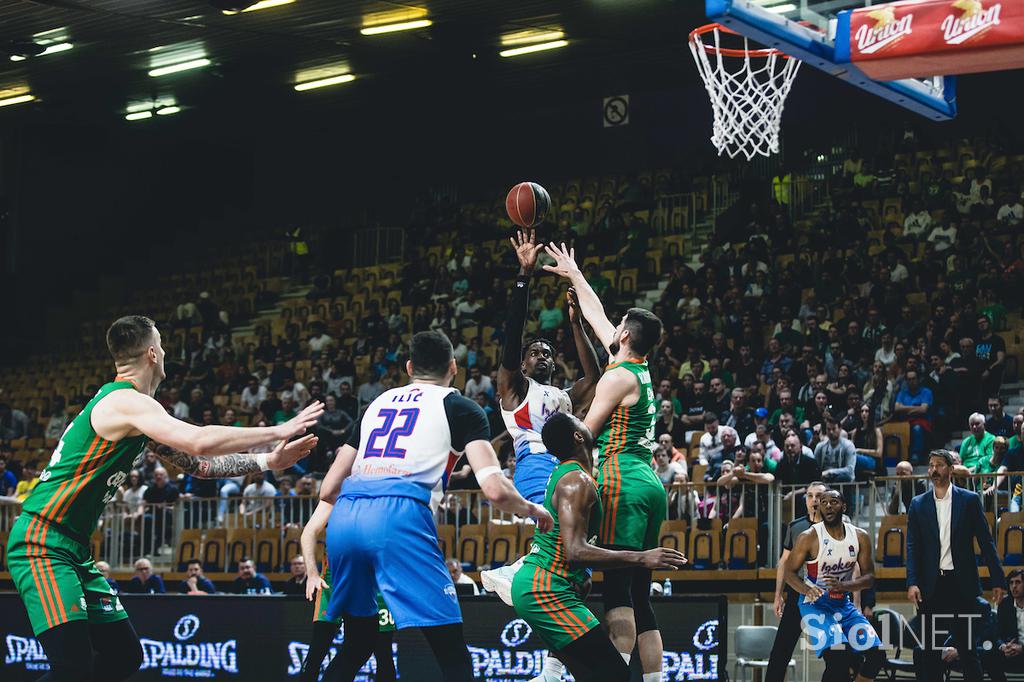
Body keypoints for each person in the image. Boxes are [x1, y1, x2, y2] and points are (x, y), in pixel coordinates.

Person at [5, 315, 321, 682]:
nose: (166, 351)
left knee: (123, 656)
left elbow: (200, 465)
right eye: (163, 345)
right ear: (153, 354)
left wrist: (270, 460)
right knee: (71, 664)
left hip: (72, 548)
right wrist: (278, 430)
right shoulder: (125, 402)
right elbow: (198, 440)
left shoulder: (135, 414)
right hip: (41, 542)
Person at [315, 330, 553, 682]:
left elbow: (330, 486)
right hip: (400, 517)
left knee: (357, 644)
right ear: (453, 368)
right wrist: (534, 510)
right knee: (453, 656)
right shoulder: (461, 407)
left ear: (410, 367)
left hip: (346, 517)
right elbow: (494, 489)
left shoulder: (376, 404)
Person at [543, 241, 669, 682]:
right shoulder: (634, 366)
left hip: (621, 479)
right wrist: (575, 273)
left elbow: (585, 434)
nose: (611, 326)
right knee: (640, 593)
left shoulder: (615, 377)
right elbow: (599, 317)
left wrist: (552, 424)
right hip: (648, 483)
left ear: (626, 337)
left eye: (618, 325)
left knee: (617, 589)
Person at [481, 231, 600, 682]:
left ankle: (552, 667)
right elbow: (511, 342)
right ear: (524, 364)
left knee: (577, 578)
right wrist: (523, 279)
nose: (543, 357)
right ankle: (519, 570)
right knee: (560, 552)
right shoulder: (514, 391)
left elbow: (594, 373)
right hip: (535, 469)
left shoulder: (564, 398)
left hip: (570, 471)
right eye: (535, 353)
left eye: (548, 353)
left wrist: (575, 322)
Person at [511, 412, 686, 682]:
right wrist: (641, 558)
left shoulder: (579, 477)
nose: (588, 420)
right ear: (578, 436)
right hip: (546, 590)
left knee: (592, 676)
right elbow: (575, 551)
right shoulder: (575, 482)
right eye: (579, 420)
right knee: (614, 674)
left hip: (550, 587)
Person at [907, 449, 1006, 682]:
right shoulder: (918, 504)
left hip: (961, 587)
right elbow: (912, 547)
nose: (934, 470)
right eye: (931, 465)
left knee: (967, 651)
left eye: (939, 465)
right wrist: (912, 582)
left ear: (951, 470)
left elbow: (986, 542)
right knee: (930, 653)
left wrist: (998, 580)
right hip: (932, 587)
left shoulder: (969, 500)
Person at [783, 490, 884, 682]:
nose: (828, 505)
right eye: (824, 502)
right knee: (838, 656)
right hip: (815, 605)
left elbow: (870, 577)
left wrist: (845, 586)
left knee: (877, 655)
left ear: (844, 507)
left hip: (842, 604)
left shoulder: (860, 536)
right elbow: (788, 572)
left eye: (834, 501)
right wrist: (806, 589)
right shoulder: (809, 537)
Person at [299, 502, 397, 682]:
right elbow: (309, 532)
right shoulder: (335, 495)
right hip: (333, 583)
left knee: (379, 651)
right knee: (317, 651)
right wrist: (312, 574)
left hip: (374, 584)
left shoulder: (384, 496)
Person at [766, 481, 828, 682]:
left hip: (827, 596)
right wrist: (777, 596)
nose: (814, 500)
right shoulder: (796, 526)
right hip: (798, 593)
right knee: (779, 653)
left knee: (836, 654)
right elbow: (783, 563)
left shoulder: (837, 525)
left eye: (819, 496)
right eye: (810, 496)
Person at [983, 568, 1024, 681]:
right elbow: (997, 634)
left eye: (1018, 582)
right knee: (988, 654)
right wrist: (1003, 646)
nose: (1014, 586)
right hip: (1010, 651)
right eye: (1011, 583)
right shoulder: (1005, 605)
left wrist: (1022, 648)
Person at [894, 370, 932, 464]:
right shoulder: (902, 393)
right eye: (909, 379)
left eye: (914, 379)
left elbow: (923, 410)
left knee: (917, 428)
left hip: (922, 422)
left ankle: (916, 455)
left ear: (918, 380)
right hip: (905, 422)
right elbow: (897, 408)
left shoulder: (926, 392)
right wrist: (915, 408)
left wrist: (905, 409)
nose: (912, 381)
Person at [814, 419, 856, 484]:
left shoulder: (848, 446)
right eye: (828, 429)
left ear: (840, 429)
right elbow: (815, 467)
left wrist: (830, 472)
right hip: (824, 480)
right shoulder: (820, 447)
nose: (831, 432)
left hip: (842, 480)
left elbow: (850, 470)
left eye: (834, 429)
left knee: (843, 478)